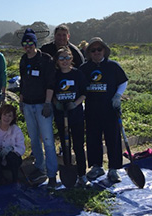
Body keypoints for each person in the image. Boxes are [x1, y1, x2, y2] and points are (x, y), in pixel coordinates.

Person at [80, 37, 128, 183]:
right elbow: (78, 86)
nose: (96, 52)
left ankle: (113, 169)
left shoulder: (113, 66)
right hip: (91, 109)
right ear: (89, 53)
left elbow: (123, 81)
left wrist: (118, 96)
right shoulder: (84, 68)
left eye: (99, 49)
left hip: (110, 109)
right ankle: (97, 166)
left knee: (112, 138)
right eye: (93, 50)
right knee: (93, 139)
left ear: (104, 51)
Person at [18, 28, 58, 189]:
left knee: (48, 140)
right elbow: (23, 82)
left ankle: (52, 174)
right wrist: (21, 101)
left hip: (42, 105)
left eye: (30, 43)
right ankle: (39, 168)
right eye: (25, 44)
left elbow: (50, 83)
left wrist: (48, 103)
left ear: (35, 43)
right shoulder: (23, 59)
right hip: (28, 104)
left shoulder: (45, 59)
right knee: (34, 139)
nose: (28, 46)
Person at [52, 47, 91, 188]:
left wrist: (75, 103)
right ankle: (68, 170)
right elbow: (51, 93)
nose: (64, 61)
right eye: (61, 58)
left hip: (76, 116)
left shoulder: (77, 74)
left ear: (71, 59)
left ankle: (82, 174)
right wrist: (56, 104)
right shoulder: (55, 75)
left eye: (67, 58)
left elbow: (84, 92)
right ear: (57, 60)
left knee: (78, 146)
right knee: (65, 145)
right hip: (61, 116)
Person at [0, 104, 25, 184]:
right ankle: (1, 179)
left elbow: (22, 149)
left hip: (11, 161)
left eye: (10, 116)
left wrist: (12, 148)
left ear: (13, 118)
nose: (6, 118)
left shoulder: (16, 130)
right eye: (4, 115)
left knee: (12, 155)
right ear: (0, 115)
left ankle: (15, 179)